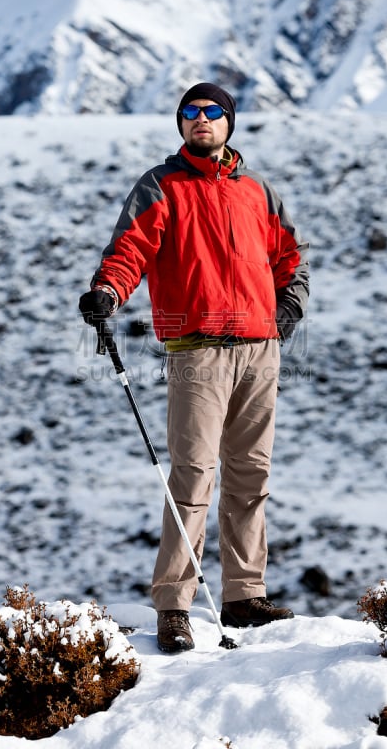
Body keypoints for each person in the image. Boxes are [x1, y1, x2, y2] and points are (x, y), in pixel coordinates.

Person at [79, 82, 309, 653]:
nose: (200, 119)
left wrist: (287, 308)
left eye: (211, 112)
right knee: (193, 475)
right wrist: (108, 291)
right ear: (180, 124)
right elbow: (130, 249)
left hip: (260, 349)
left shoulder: (258, 190)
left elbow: (290, 259)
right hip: (197, 350)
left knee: (250, 475)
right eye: (190, 112)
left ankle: (243, 594)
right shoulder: (161, 186)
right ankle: (174, 606)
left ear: (229, 123)